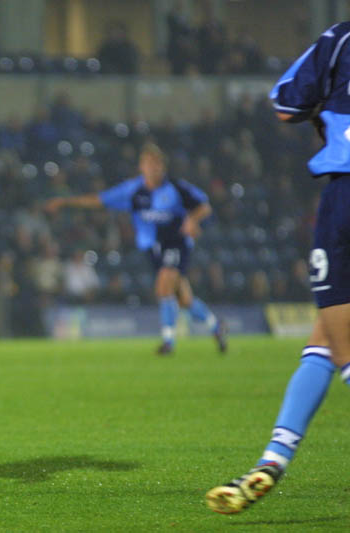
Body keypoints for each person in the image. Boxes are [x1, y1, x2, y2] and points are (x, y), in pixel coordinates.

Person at [206, 22, 350, 514]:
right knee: (327, 339)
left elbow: (287, 101)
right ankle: (272, 461)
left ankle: (273, 461)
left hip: (345, 193)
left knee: (343, 345)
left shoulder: (341, 39)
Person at [45, 143, 226, 355]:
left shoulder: (177, 188)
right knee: (184, 300)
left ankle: (168, 342)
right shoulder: (133, 190)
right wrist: (65, 202)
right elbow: (98, 200)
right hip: (153, 249)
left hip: (176, 244)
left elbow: (204, 206)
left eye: (157, 163)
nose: (153, 168)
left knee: (163, 286)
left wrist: (192, 220)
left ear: (163, 167)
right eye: (148, 163)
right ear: (141, 167)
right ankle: (216, 327)